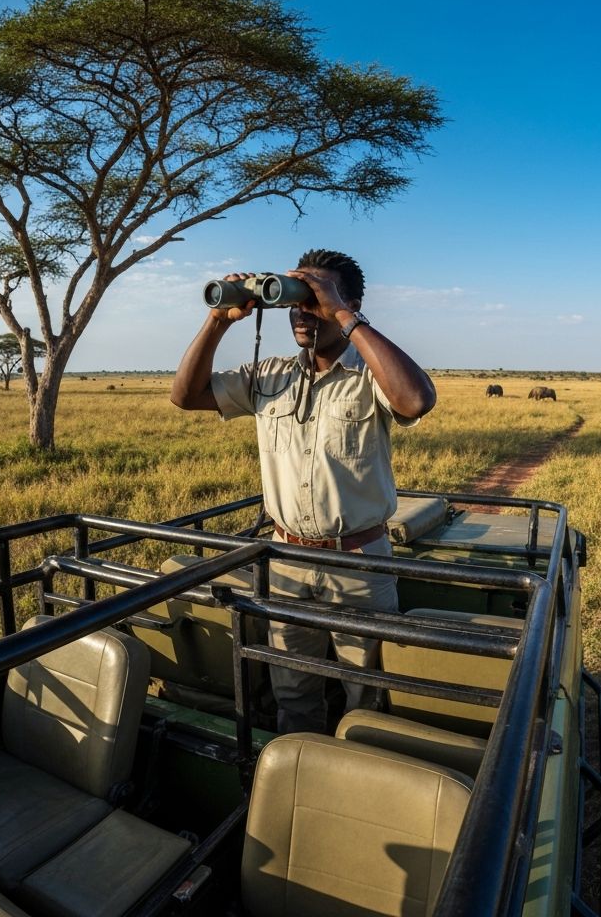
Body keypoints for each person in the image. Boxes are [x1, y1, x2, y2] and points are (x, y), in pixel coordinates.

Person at [170, 248, 436, 733]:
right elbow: (185, 396)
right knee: (292, 689)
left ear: (348, 302)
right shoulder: (269, 376)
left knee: (367, 693)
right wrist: (217, 321)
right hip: (286, 557)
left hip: (360, 562)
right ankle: (299, 773)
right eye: (295, 301)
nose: (301, 312)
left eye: (312, 300)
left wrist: (342, 315)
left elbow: (415, 399)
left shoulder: (366, 376)